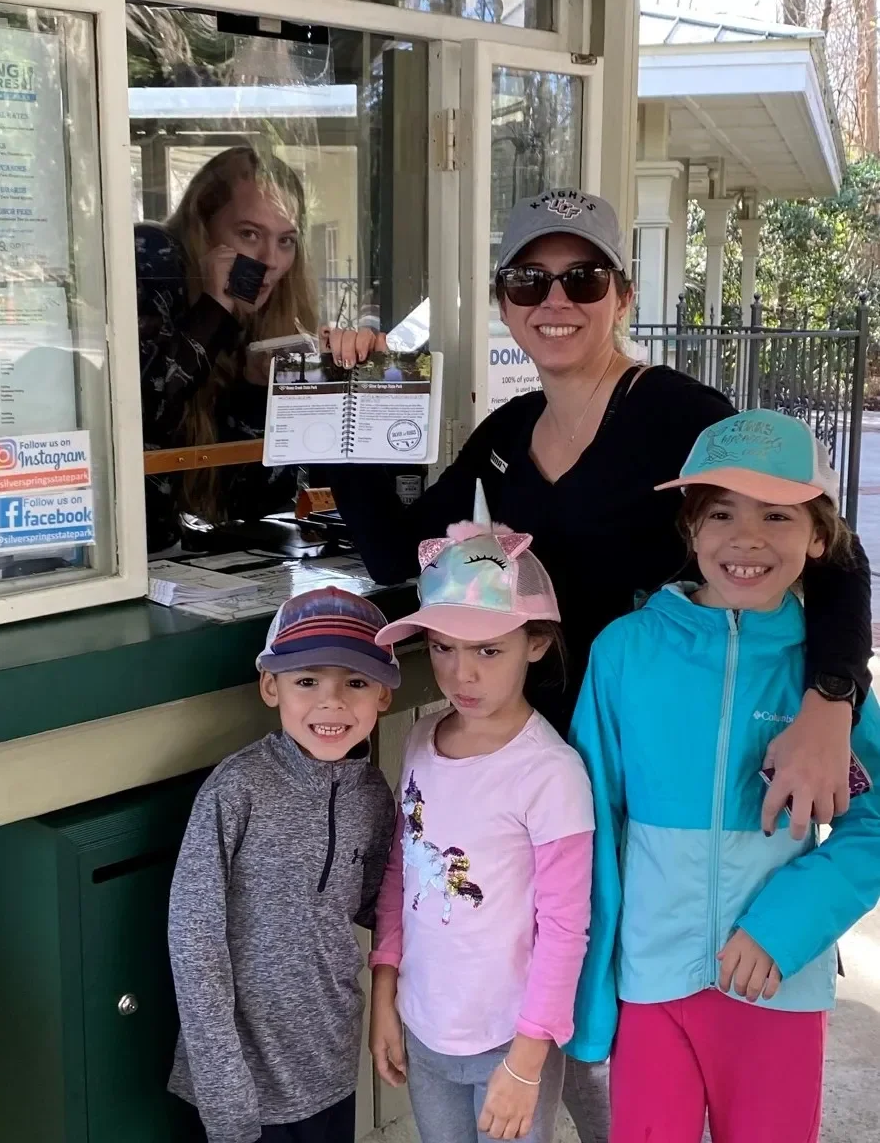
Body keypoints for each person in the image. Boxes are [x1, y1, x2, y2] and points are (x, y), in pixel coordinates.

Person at [324, 186, 872, 1142]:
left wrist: (831, 699)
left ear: (621, 293)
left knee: (623, 1040)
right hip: (548, 756)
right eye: (528, 280)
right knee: (569, 1014)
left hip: (657, 766)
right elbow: (394, 550)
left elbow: (829, 554)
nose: (555, 300)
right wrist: (352, 400)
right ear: (503, 300)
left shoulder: (679, 416)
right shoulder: (506, 438)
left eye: (582, 277)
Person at [569, 409, 880, 1143]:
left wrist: (785, 928)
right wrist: (593, 996)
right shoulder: (624, 652)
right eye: (721, 512)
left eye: (777, 514)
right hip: (652, 983)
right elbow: (591, 826)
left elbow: (873, 826)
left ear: (818, 538)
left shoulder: (827, 684)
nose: (746, 537)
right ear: (690, 529)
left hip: (778, 983)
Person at [368, 491, 593, 1143]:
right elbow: (401, 873)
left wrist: (527, 1060)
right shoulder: (420, 740)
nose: (460, 673)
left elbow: (565, 929)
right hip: (423, 1025)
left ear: (536, 644)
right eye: (442, 648)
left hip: (509, 1043)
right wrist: (385, 994)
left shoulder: (550, 773)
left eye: (487, 651)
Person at [167, 586, 399, 1143]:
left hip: (331, 1060)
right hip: (241, 1081)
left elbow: (380, 905)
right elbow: (194, 940)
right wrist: (222, 1086)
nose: (332, 702)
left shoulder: (373, 794)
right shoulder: (236, 790)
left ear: (384, 696)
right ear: (271, 687)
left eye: (356, 683)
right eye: (307, 681)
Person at [137, 144, 319, 551]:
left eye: (286, 241)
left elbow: (259, 505)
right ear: (202, 226)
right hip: (123, 550)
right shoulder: (154, 255)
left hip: (189, 554)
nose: (270, 260)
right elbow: (143, 413)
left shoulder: (269, 313)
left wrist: (255, 391)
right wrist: (213, 308)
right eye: (249, 234)